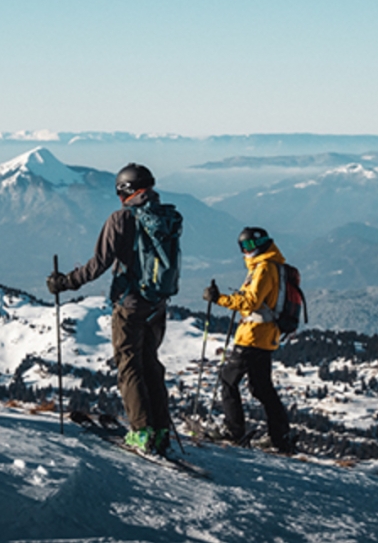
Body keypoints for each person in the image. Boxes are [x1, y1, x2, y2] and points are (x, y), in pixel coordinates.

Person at [47, 163, 181, 455]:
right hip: (157, 304)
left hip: (129, 303)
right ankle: (161, 432)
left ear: (124, 190)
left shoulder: (121, 219)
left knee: (129, 366)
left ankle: (141, 432)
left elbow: (98, 264)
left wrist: (65, 282)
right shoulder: (166, 216)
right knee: (151, 365)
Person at [203, 227, 295, 453]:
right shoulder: (273, 265)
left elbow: (251, 302)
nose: (246, 250)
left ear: (262, 244)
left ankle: (233, 431)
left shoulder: (264, 268)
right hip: (265, 336)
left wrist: (219, 299)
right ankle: (280, 436)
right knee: (262, 387)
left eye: (250, 245)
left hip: (253, 336)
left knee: (228, 380)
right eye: (243, 246)